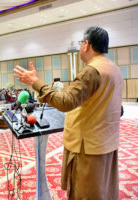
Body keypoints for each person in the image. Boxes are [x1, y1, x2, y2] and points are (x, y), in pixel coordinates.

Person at [14, 26, 122, 200]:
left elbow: (65, 102)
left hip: (88, 147)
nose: (80, 47)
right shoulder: (114, 69)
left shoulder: (91, 70)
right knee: (103, 191)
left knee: (86, 193)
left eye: (81, 43)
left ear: (86, 45)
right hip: (106, 142)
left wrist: (36, 82)